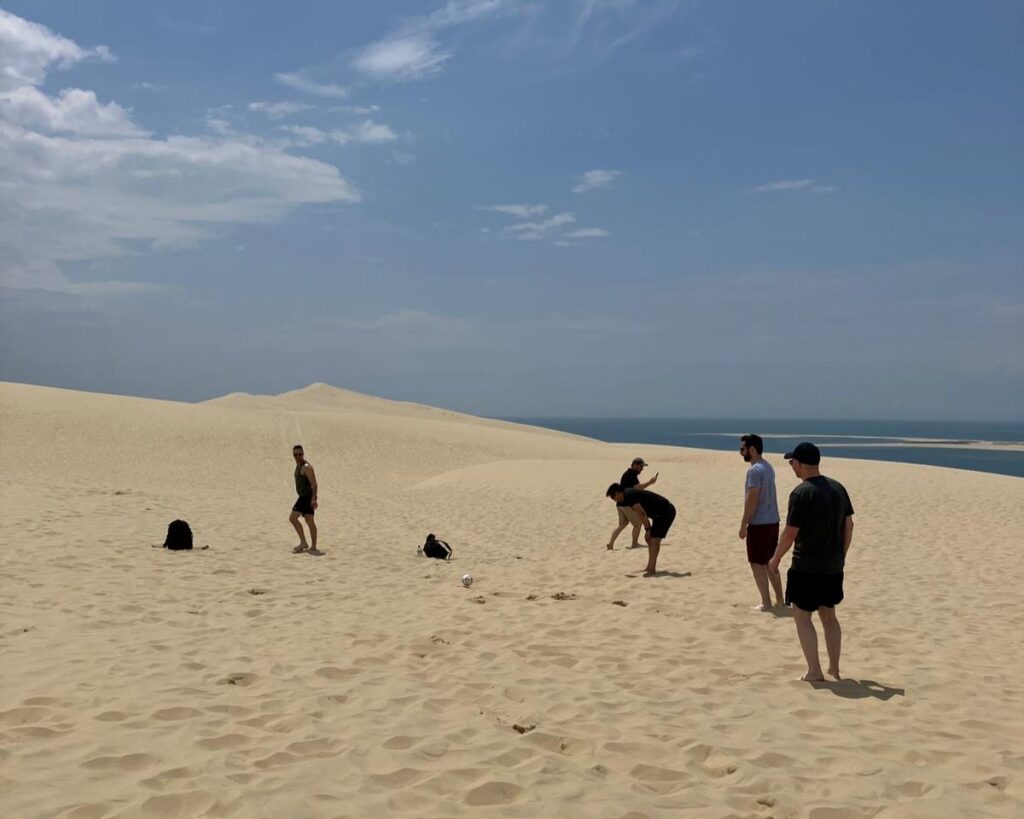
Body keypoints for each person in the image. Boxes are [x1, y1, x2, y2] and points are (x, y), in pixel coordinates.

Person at [768, 442, 854, 682]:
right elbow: (849, 525)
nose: (790, 466)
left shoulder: (801, 493)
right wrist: (842, 556)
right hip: (833, 567)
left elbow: (790, 532)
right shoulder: (838, 489)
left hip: (806, 566)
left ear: (800, 463)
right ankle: (834, 668)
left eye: (791, 462)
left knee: (802, 616)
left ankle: (814, 671)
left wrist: (775, 559)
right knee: (829, 615)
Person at [738, 434, 784, 610]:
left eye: (742, 449)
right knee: (770, 562)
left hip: (760, 524)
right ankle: (780, 600)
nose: (740, 453)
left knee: (757, 563)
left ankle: (766, 602)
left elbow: (752, 499)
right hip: (773, 521)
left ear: (752, 449)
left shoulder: (754, 470)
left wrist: (743, 525)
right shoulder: (768, 467)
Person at [606, 483, 676, 576]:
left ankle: (651, 569)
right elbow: (642, 514)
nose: (614, 500)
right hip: (658, 515)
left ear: (617, 492)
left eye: (612, 497)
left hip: (666, 512)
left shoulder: (629, 495)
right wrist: (648, 529)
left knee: (654, 540)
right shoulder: (627, 495)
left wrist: (647, 530)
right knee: (652, 540)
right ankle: (650, 567)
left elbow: (642, 513)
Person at [606, 457, 659, 550]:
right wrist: (650, 482)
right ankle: (634, 544)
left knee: (622, 525)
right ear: (634, 465)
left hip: (620, 504)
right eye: (641, 466)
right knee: (638, 524)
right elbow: (637, 488)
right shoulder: (630, 475)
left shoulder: (629, 474)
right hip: (627, 504)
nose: (642, 469)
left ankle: (610, 544)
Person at [289, 444, 323, 555]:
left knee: (293, 518)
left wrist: (314, 499)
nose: (298, 456)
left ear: (303, 454)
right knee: (309, 521)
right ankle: (313, 547)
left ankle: (304, 543)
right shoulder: (298, 466)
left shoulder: (307, 467)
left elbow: (314, 484)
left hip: (306, 497)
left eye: (300, 454)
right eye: (295, 454)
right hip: (304, 497)